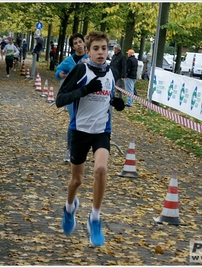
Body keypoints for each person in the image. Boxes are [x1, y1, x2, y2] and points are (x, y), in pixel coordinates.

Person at [55, 31, 125, 247]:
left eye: (104, 48)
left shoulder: (111, 72)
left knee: (101, 170)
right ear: (88, 51)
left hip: (102, 131)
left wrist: (116, 103)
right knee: (77, 180)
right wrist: (85, 90)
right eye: (96, 49)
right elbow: (60, 100)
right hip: (80, 130)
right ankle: (69, 208)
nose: (100, 52)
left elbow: (108, 96)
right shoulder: (80, 69)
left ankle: (94, 218)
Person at [55, 33, 89, 163]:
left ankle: (83, 148)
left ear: (84, 43)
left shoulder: (89, 58)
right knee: (73, 120)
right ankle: (69, 150)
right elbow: (58, 71)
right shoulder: (69, 60)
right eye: (75, 43)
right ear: (73, 47)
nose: (79, 45)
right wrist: (60, 74)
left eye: (80, 42)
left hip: (85, 95)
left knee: (84, 122)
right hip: (71, 96)